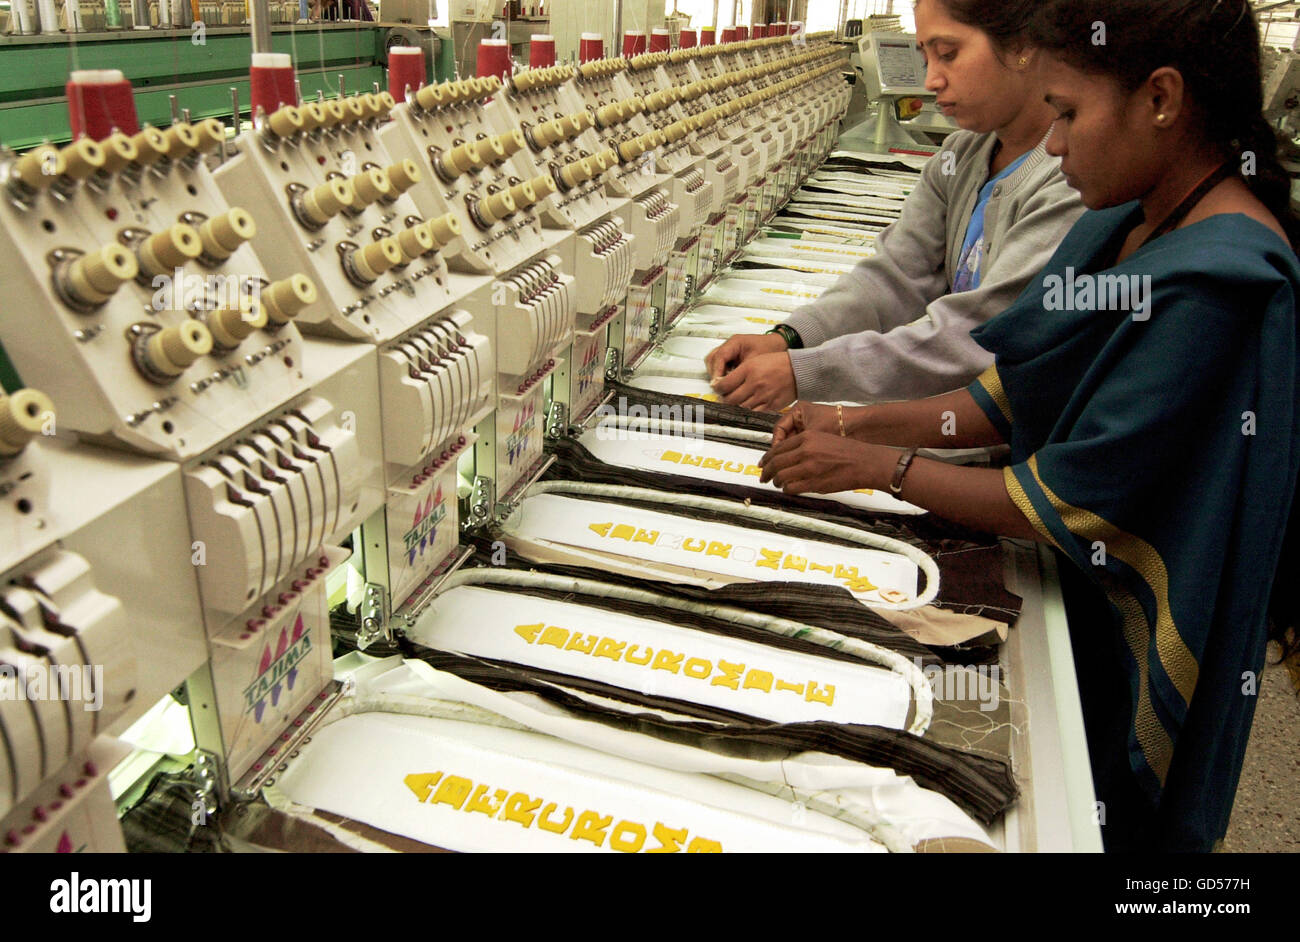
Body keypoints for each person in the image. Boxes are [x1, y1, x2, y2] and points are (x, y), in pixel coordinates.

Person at [757, 0, 1300, 852]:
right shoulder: (1122, 219)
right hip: (1061, 582)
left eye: (1069, 114)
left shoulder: (1213, 285)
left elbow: (1065, 499)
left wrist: (877, 466)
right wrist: (846, 417)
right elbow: (1006, 393)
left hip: (1124, 621)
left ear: (1161, 98)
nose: (1051, 145)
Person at [703, 0, 1086, 412]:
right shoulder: (961, 155)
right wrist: (789, 338)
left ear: (1022, 47)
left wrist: (807, 371)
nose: (932, 79)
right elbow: (895, 277)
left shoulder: (1075, 179)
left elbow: (976, 335)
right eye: (924, 56)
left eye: (948, 54)